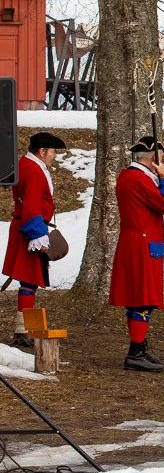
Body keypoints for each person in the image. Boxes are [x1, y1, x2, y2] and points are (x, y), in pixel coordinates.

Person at [109, 137, 164, 372]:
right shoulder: (139, 179)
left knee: (140, 297)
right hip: (142, 243)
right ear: (152, 158)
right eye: (161, 156)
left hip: (140, 241)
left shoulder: (131, 176)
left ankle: (139, 346)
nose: (163, 160)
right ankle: (136, 351)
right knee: (142, 298)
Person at [3, 132, 67, 348]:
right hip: (30, 230)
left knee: (28, 282)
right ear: (42, 152)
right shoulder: (33, 170)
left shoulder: (28, 165)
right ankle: (23, 331)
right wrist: (38, 235)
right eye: (52, 152)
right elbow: (31, 205)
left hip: (29, 227)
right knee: (29, 282)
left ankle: (24, 329)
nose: (54, 157)